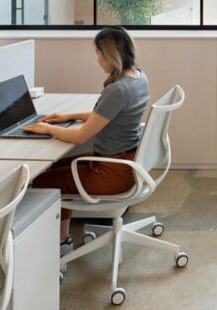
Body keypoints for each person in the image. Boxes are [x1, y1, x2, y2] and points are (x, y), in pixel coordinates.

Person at [25, 26, 150, 244]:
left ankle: (61, 242)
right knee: (52, 168)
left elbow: (80, 137)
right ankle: (61, 237)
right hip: (125, 163)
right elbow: (104, 115)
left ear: (110, 54)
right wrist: (66, 116)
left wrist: (48, 129)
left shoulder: (118, 90)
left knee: (43, 180)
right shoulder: (138, 77)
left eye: (99, 53)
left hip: (110, 172)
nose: (98, 59)